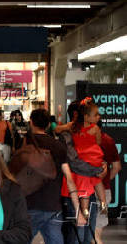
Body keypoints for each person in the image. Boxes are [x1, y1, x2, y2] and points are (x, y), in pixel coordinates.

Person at [25, 109, 86, 244]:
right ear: (48, 125)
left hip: (30, 205)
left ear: (31, 122)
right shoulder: (58, 146)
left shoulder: (24, 144)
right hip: (53, 206)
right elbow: (69, 179)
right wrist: (78, 211)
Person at [58, 100, 107, 244]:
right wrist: (97, 168)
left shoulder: (72, 130)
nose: (98, 117)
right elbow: (76, 162)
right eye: (95, 114)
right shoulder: (71, 133)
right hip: (78, 182)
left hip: (82, 178)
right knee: (78, 233)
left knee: (85, 232)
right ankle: (102, 202)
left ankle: (95, 205)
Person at [95, 120, 121, 243]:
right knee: (97, 234)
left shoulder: (84, 141)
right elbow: (117, 167)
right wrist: (106, 179)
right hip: (105, 191)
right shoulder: (109, 140)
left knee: (89, 234)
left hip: (85, 190)